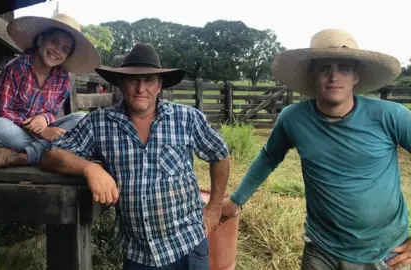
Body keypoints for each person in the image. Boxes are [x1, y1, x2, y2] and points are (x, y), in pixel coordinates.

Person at [221, 29, 411, 270]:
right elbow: (269, 157)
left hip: (385, 253)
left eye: (344, 68)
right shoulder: (294, 118)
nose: (334, 77)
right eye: (324, 68)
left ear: (356, 76)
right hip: (321, 249)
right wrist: (236, 200)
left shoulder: (390, 116)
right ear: (312, 74)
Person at [41, 42, 230, 269]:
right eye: (133, 80)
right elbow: (51, 155)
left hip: (187, 244)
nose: (141, 89)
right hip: (138, 252)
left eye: (149, 80)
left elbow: (219, 154)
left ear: (159, 86)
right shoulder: (100, 123)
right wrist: (90, 168)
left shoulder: (186, 118)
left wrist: (215, 207)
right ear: (121, 83)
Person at [0, 13, 101, 169]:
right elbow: (1, 111)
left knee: (83, 118)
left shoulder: (63, 79)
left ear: (67, 56)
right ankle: (51, 153)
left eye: (65, 49)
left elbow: (52, 112)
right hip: (6, 134)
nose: (57, 51)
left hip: (28, 140)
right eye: (54, 41)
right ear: (41, 40)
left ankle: (22, 157)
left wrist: (44, 118)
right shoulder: (16, 68)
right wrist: (41, 132)